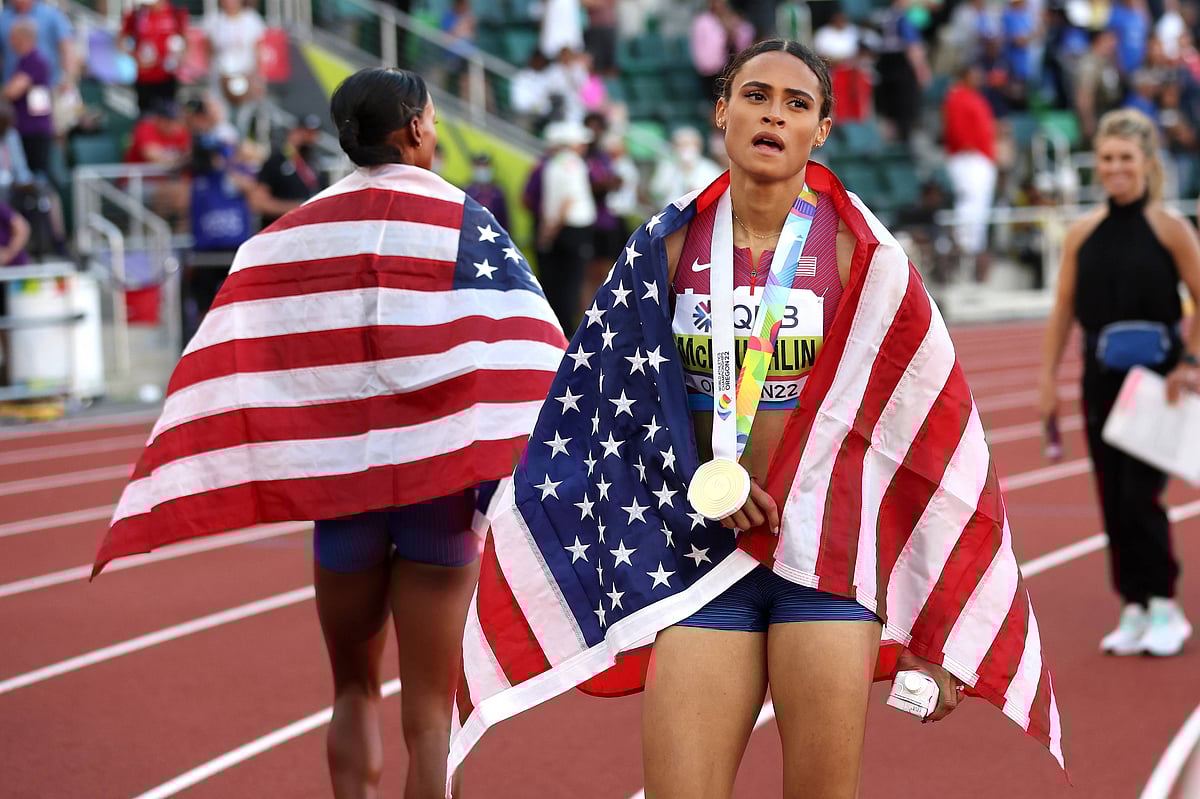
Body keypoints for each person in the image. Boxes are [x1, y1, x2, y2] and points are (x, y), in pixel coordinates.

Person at [448, 38, 1065, 794]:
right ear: (722, 111)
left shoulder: (862, 256)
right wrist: (698, 484)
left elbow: (929, 433)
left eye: (796, 104)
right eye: (756, 96)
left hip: (824, 560)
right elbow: (607, 414)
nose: (774, 115)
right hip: (700, 559)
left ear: (822, 130)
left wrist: (936, 626)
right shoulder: (665, 248)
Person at [92, 67, 567, 798]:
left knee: (351, 690)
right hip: (435, 490)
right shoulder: (464, 219)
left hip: (341, 494)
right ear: (415, 127)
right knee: (431, 716)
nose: (436, 131)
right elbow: (527, 342)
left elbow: (247, 333)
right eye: (434, 120)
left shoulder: (293, 233)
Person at [1039, 108, 1200, 658]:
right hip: (1101, 380)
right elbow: (1063, 309)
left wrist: (1190, 362)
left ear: (1147, 162)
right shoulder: (1082, 233)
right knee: (1110, 492)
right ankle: (1133, 604)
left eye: (1125, 158)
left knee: (1140, 492)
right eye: (1106, 158)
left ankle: (1165, 604)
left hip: (1158, 383)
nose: (1115, 168)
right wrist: (1046, 380)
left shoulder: (1170, 228)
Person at [942, 62, 998, 283]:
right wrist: (968, 148)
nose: (978, 78)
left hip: (980, 158)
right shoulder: (956, 96)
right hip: (968, 160)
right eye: (974, 74)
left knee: (979, 207)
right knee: (969, 204)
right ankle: (964, 249)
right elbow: (956, 129)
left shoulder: (975, 96)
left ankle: (975, 249)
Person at [539, 118, 596, 331]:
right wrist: (552, 229)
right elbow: (568, 199)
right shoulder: (573, 164)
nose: (584, 147)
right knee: (571, 280)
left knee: (558, 280)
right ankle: (567, 329)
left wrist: (548, 229)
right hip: (571, 228)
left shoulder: (555, 163)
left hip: (560, 227)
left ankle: (559, 326)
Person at [248, 114, 325, 229]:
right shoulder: (276, 162)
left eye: (313, 134)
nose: (309, 138)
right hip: (280, 230)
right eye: (305, 132)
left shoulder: (316, 165)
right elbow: (258, 202)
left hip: (307, 231)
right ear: (293, 132)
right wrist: (296, 208)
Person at [3, 18, 54, 180]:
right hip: (25, 129)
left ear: (22, 38)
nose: (9, 42)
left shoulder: (34, 60)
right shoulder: (25, 60)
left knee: (37, 179)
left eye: (12, 37)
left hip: (34, 130)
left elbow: (13, 91)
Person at [120, 0, 190, 116]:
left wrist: (181, 58)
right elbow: (121, 41)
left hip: (168, 77)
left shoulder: (176, 11)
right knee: (146, 117)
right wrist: (135, 57)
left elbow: (185, 39)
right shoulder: (137, 13)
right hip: (144, 78)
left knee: (167, 117)